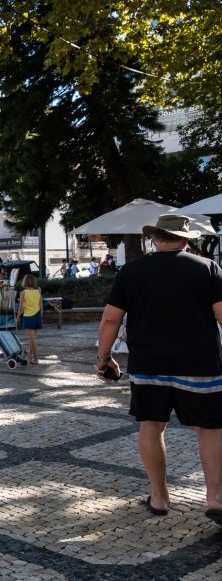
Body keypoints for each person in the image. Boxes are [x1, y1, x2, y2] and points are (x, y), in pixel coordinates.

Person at [96, 214, 222, 524]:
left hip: (148, 363)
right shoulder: (207, 268)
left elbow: (111, 319)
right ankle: (216, 499)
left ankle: (159, 497)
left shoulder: (132, 271)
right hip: (200, 363)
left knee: (151, 426)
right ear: (186, 238)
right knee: (209, 429)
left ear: (155, 238)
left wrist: (104, 358)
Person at [16, 273, 42, 364]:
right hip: (37, 316)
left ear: (25, 282)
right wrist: (39, 316)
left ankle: (36, 359)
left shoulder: (23, 293)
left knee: (32, 340)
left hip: (28, 317)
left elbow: (21, 307)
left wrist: (18, 317)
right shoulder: (38, 292)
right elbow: (41, 307)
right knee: (33, 338)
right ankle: (30, 357)